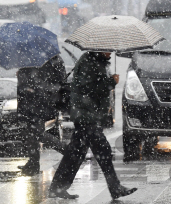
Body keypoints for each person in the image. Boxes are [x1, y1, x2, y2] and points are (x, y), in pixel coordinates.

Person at [48, 52, 137, 199]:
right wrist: (110, 83)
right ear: (98, 48)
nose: (110, 52)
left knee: (75, 154)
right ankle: (115, 188)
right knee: (103, 152)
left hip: (88, 115)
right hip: (85, 116)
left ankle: (57, 187)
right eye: (107, 49)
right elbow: (87, 89)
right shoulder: (89, 62)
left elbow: (93, 88)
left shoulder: (97, 61)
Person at [16, 55, 67, 175]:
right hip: (29, 102)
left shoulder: (52, 60)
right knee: (29, 132)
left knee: (37, 132)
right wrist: (22, 77)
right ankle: (33, 163)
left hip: (39, 103)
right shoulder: (29, 59)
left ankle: (67, 151)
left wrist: (34, 87)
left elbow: (56, 82)